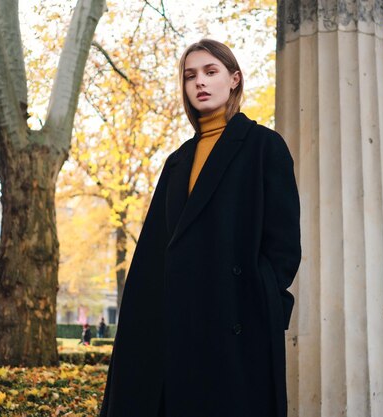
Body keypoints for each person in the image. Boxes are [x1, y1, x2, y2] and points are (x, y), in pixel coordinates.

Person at [99, 39, 301, 417]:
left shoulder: (264, 146)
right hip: (179, 323)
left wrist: (262, 302)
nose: (200, 83)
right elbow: (157, 249)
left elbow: (284, 245)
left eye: (211, 72)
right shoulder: (177, 162)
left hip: (236, 323)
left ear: (234, 79)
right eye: (190, 76)